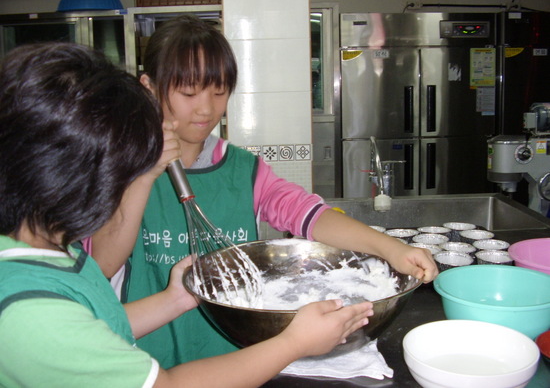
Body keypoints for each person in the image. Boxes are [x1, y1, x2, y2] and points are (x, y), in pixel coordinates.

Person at [0, 42, 374, 388]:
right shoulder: (29, 311)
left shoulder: (53, 255)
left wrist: (175, 299)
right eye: (121, 170)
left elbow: (98, 324)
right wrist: (295, 342)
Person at [90, 14, 438, 368]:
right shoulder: (119, 170)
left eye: (219, 91)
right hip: (146, 362)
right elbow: (101, 264)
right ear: (149, 87)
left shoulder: (244, 171)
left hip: (236, 360)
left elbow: (309, 216)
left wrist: (391, 248)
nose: (206, 108)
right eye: (188, 92)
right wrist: (143, 176)